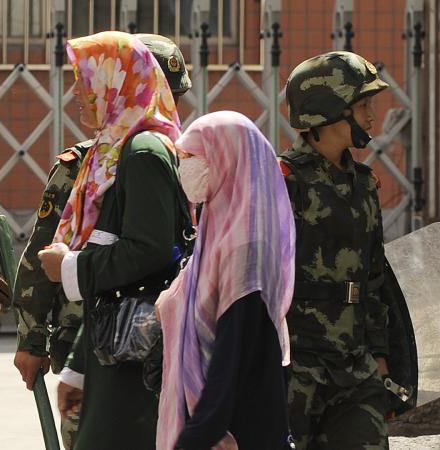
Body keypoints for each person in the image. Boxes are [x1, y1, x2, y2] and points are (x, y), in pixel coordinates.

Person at [11, 33, 192, 450]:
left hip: (136, 345)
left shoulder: (144, 151)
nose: (76, 92)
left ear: (118, 83)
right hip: (107, 337)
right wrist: (63, 358)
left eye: (85, 79)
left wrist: (71, 267)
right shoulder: (109, 153)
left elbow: (151, 251)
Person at [155, 110, 295, 449]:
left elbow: (232, 354)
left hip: (234, 430)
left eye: (191, 156)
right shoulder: (218, 230)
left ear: (226, 159)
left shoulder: (245, 249)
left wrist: (197, 435)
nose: (184, 166)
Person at [281, 51, 394, 449]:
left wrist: (379, 354)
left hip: (355, 366)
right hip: (296, 368)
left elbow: (374, 277)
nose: (371, 115)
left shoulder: (363, 183)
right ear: (326, 112)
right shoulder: (284, 183)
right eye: (363, 105)